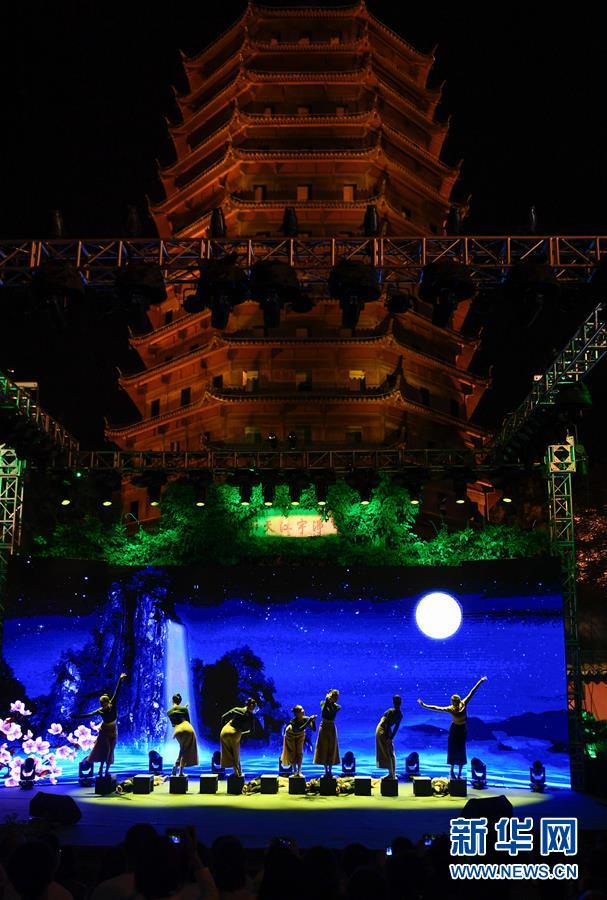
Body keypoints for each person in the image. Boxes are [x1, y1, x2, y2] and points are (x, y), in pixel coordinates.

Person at [418, 676, 487, 779]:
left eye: (454, 702)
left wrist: (480, 681)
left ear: (457, 701)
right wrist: (424, 705)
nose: (453, 704)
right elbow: (437, 708)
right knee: (453, 749)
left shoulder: (464, 703)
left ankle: (459, 773)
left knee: (461, 750)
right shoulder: (450, 709)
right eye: (453, 702)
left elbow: (472, 692)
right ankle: (451, 771)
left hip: (462, 729)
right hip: (454, 729)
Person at [75, 673, 127, 777]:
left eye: (104, 704)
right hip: (105, 731)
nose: (103, 706)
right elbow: (89, 714)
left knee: (111, 750)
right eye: (102, 704)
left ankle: (106, 770)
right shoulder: (100, 711)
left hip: (113, 729)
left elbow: (117, 692)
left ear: (108, 702)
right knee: (106, 750)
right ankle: (101, 768)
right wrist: (76, 716)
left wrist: (120, 679)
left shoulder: (113, 704)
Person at [219, 698, 257, 777]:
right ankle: (237, 772)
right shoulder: (251, 716)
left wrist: (222, 728)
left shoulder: (236, 709)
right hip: (236, 732)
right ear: (252, 706)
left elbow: (223, 717)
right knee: (236, 753)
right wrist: (241, 733)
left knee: (227, 751)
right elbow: (252, 731)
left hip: (225, 730)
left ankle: (234, 770)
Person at [167, 693, 199, 777]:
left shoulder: (169, 712)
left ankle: (176, 766)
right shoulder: (184, 709)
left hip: (177, 730)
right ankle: (179, 771)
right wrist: (185, 709)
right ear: (179, 701)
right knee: (185, 750)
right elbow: (188, 720)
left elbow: (173, 724)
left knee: (182, 748)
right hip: (187, 728)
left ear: (172, 700)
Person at [281, 706, 317, 776]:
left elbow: (314, 729)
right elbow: (299, 729)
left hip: (300, 735)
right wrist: (309, 721)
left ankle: (299, 771)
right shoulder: (293, 721)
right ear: (297, 713)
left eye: (302, 709)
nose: (303, 711)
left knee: (299, 752)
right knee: (292, 752)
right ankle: (294, 771)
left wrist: (313, 721)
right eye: (301, 710)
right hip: (290, 734)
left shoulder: (306, 719)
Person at [313, 690, 341, 777]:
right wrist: (327, 701)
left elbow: (331, 712)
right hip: (324, 726)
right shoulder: (323, 703)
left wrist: (329, 702)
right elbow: (324, 712)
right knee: (323, 747)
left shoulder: (337, 707)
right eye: (334, 696)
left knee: (332, 747)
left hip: (331, 726)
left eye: (336, 697)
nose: (336, 698)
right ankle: (326, 771)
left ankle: (330, 771)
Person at [375, 695, 403, 780]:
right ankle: (391, 774)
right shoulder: (391, 711)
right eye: (395, 702)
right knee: (388, 751)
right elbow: (386, 725)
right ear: (394, 703)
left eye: (398, 702)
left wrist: (391, 737)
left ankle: (392, 774)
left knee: (390, 751)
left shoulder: (399, 714)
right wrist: (388, 737)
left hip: (386, 730)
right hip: (382, 730)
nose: (397, 704)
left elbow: (396, 727)